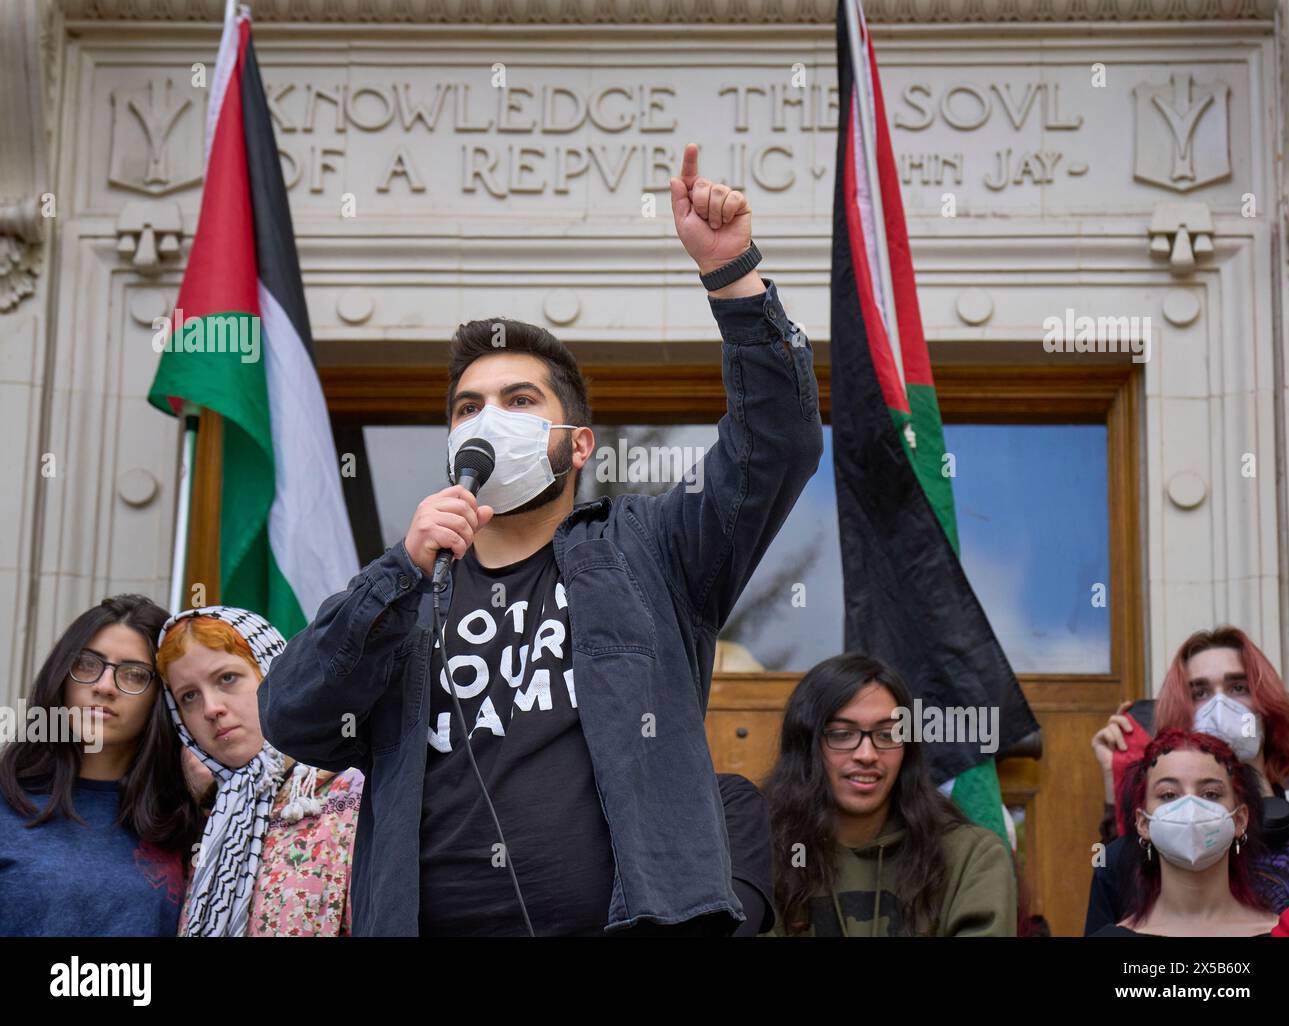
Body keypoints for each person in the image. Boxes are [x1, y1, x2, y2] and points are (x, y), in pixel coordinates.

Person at [259, 142, 822, 935]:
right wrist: (398, 574)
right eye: (467, 407)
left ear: (579, 443)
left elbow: (778, 443)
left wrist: (732, 276)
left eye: (518, 400)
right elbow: (291, 717)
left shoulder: (652, 550)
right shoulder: (400, 596)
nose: (487, 419)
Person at [764, 653, 1017, 936]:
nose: (866, 754)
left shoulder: (970, 856)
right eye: (842, 734)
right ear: (807, 747)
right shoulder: (763, 853)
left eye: (887, 734)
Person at [157, 605, 363, 937]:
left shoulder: (351, 795)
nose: (211, 708)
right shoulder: (211, 823)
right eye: (189, 696)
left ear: (273, 675)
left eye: (227, 678)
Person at [0, 595, 198, 936]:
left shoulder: (186, 818)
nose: (104, 686)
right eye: (88, 664)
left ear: (161, 696)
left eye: (134, 674)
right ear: (62, 676)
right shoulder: (6, 800)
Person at [1086, 627, 1289, 931]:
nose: (1220, 707)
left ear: (1266, 705)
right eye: (1199, 692)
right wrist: (1117, 789)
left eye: (1238, 687)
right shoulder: (1121, 861)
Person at [1088, 729, 1282, 936]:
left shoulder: (1286, 931)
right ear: (1143, 823)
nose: (1191, 809)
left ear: (1239, 820)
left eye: (1210, 794)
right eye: (1169, 795)